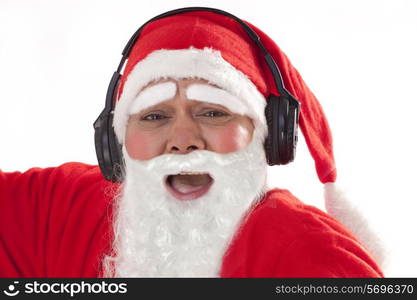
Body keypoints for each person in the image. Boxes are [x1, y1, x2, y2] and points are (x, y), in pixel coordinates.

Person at [0, 7, 384, 277]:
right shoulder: (61, 212)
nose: (182, 141)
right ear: (115, 144)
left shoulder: (314, 257)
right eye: (154, 116)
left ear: (267, 136)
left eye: (213, 112)